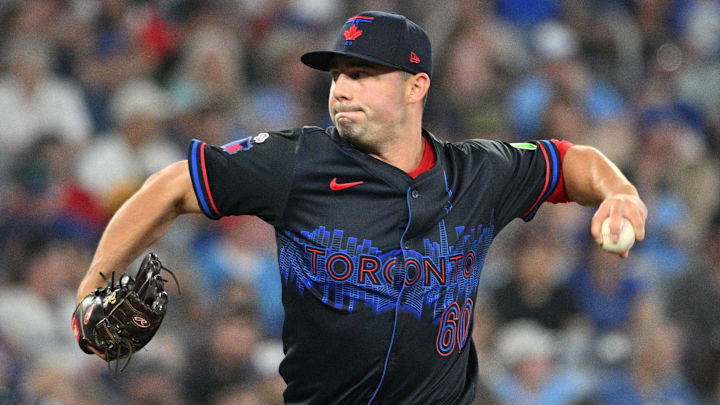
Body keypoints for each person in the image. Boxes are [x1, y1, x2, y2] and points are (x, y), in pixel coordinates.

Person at [75, 11, 647, 405]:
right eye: (338, 74)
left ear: (416, 86)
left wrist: (619, 191)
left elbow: (571, 160)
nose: (341, 89)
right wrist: (90, 290)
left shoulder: (477, 173)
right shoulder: (298, 162)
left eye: (363, 74)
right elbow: (173, 186)